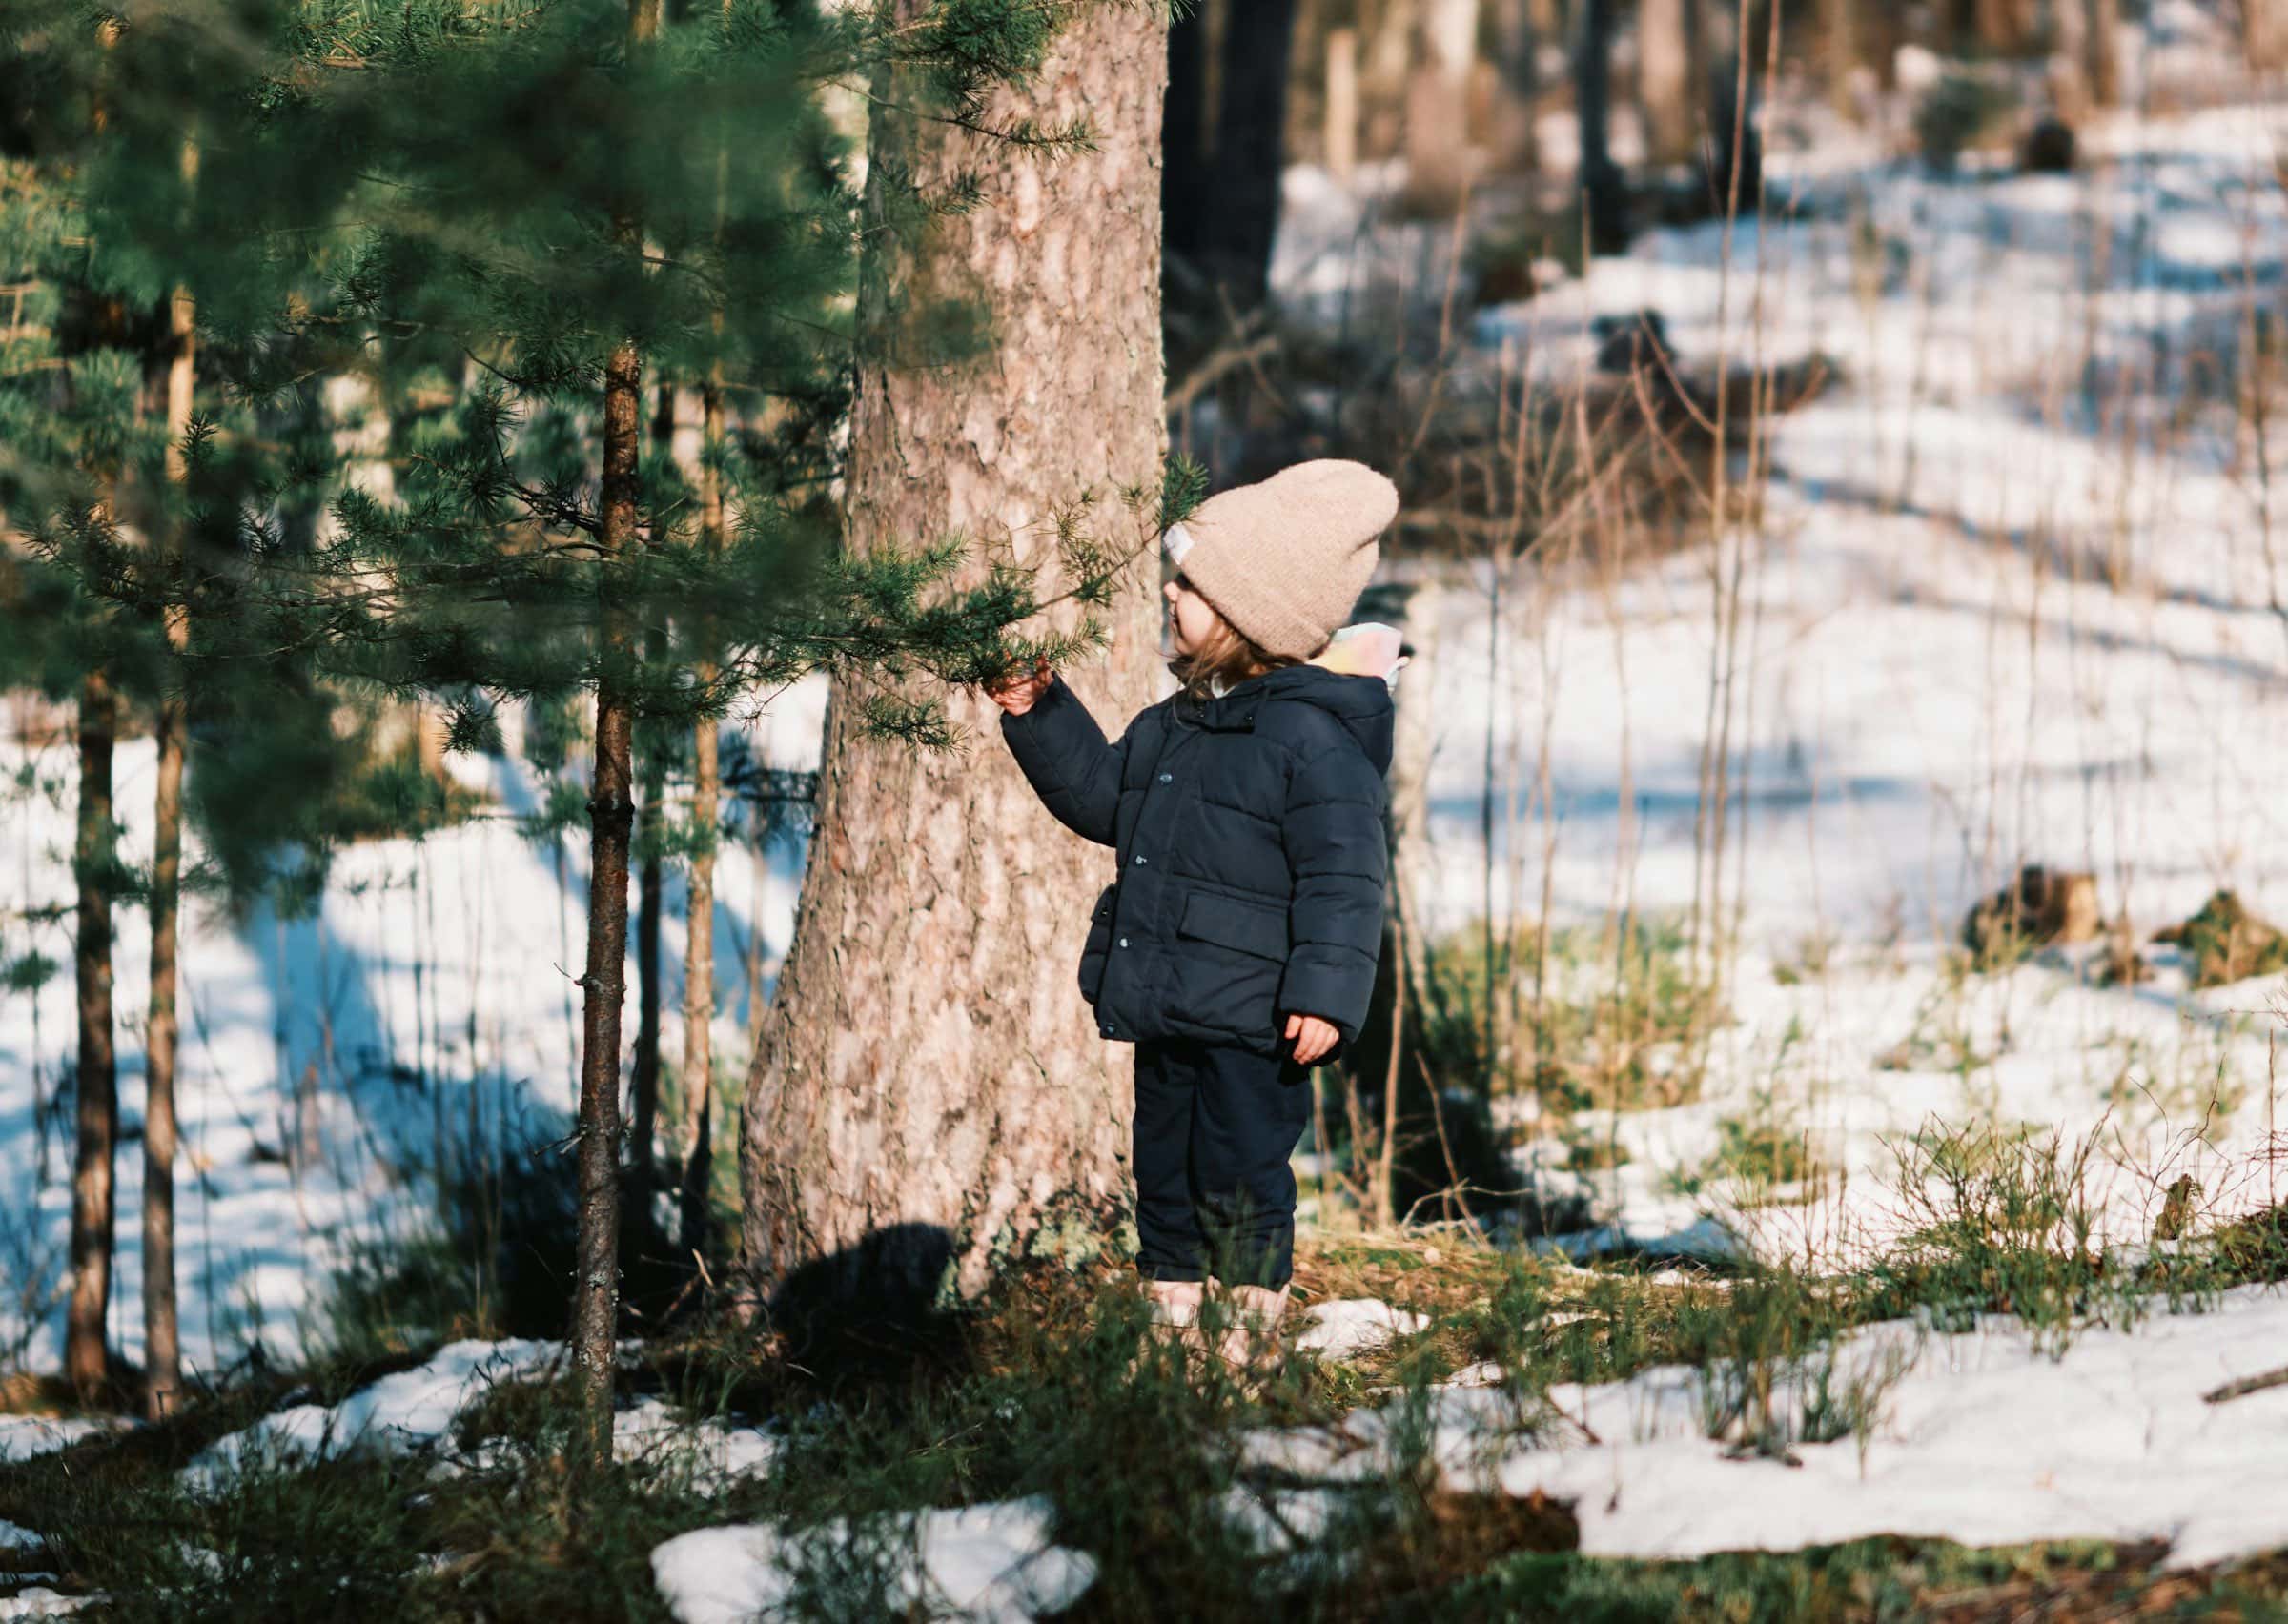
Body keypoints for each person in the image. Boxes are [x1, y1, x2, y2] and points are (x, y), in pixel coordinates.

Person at [987, 459, 1401, 1370]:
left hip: (1258, 1023)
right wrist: (1041, 710)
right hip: (1171, 1002)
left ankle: (1245, 1348)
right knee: (1163, 1178)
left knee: (1241, 1176)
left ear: (1252, 616)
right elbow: (1104, 800)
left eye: (1192, 587)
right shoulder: (1176, 724)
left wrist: (1325, 996)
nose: (1170, 595)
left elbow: (1347, 873)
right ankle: (1170, 1338)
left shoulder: (1312, 742)